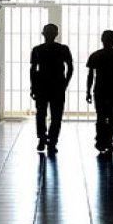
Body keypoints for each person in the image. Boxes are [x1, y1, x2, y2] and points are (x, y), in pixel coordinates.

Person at [30, 23, 73, 153]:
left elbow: (33, 70)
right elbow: (70, 67)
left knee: (41, 114)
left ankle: (42, 139)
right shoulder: (63, 49)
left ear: (43, 33)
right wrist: (65, 83)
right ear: (56, 34)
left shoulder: (37, 49)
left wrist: (33, 87)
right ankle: (52, 142)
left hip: (42, 86)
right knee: (56, 116)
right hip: (57, 86)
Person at [86, 30, 113, 153]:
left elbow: (90, 76)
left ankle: (101, 140)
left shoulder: (95, 55)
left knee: (101, 116)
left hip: (100, 88)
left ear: (102, 40)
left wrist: (88, 91)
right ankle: (109, 140)